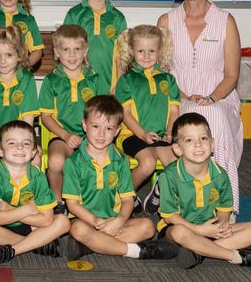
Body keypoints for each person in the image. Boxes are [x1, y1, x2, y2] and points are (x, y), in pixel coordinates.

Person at [157, 0, 243, 214]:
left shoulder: (225, 20)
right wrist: (183, 95)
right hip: (175, 95)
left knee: (211, 116)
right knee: (188, 114)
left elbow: (231, 75)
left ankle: (226, 208)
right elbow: (161, 71)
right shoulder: (165, 21)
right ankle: (183, 201)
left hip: (219, 97)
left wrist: (211, 98)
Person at [63, 95, 179, 262]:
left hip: (115, 220)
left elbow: (127, 199)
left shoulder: (120, 161)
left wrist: (120, 220)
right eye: (95, 126)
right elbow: (72, 205)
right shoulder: (73, 162)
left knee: (148, 227)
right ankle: (136, 251)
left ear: (117, 131)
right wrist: (96, 221)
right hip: (86, 220)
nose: (101, 134)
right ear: (84, 125)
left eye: (109, 129)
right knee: (78, 230)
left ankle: (90, 245)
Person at [157, 112, 251, 269]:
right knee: (179, 233)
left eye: (203, 138)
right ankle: (237, 257)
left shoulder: (220, 174)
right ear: (177, 149)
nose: (198, 144)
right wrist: (198, 230)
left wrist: (221, 228)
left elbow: (224, 209)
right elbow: (170, 217)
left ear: (212, 143)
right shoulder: (169, 175)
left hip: (210, 229)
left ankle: (198, 253)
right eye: (189, 140)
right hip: (180, 229)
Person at [0, 120, 70, 266]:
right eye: (12, 143)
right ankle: (37, 243)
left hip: (33, 226)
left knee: (63, 222)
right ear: (0, 151)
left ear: (33, 152)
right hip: (4, 228)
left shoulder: (38, 177)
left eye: (26, 143)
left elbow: (46, 220)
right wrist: (26, 210)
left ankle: (12, 250)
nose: (20, 147)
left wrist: (12, 209)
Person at [115, 25, 179, 215]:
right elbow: (125, 114)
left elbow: (174, 111)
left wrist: (170, 132)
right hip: (132, 134)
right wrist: (142, 133)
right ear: (132, 51)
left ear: (160, 51)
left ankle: (160, 191)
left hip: (161, 134)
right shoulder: (126, 80)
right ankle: (125, 195)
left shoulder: (168, 80)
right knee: (148, 163)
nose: (146, 56)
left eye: (152, 51)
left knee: (178, 164)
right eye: (141, 51)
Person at [39, 24, 101, 211]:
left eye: (77, 49)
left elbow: (102, 113)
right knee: (56, 161)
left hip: (91, 136)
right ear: (57, 52)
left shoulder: (95, 79)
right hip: (61, 136)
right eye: (66, 50)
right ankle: (57, 201)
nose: (72, 55)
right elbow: (46, 117)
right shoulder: (51, 81)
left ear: (85, 51)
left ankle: (94, 200)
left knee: (103, 161)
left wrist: (94, 135)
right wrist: (66, 135)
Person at [0, 26, 40, 189]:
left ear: (19, 56)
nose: (2, 61)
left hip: (19, 137)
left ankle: (28, 195)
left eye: (9, 55)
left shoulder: (27, 79)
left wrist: (28, 142)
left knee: (36, 159)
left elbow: (28, 115)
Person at [64, 0, 127, 93]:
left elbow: (122, 55)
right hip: (79, 85)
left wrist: (119, 85)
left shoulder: (118, 18)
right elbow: (65, 50)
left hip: (109, 87)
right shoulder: (74, 15)